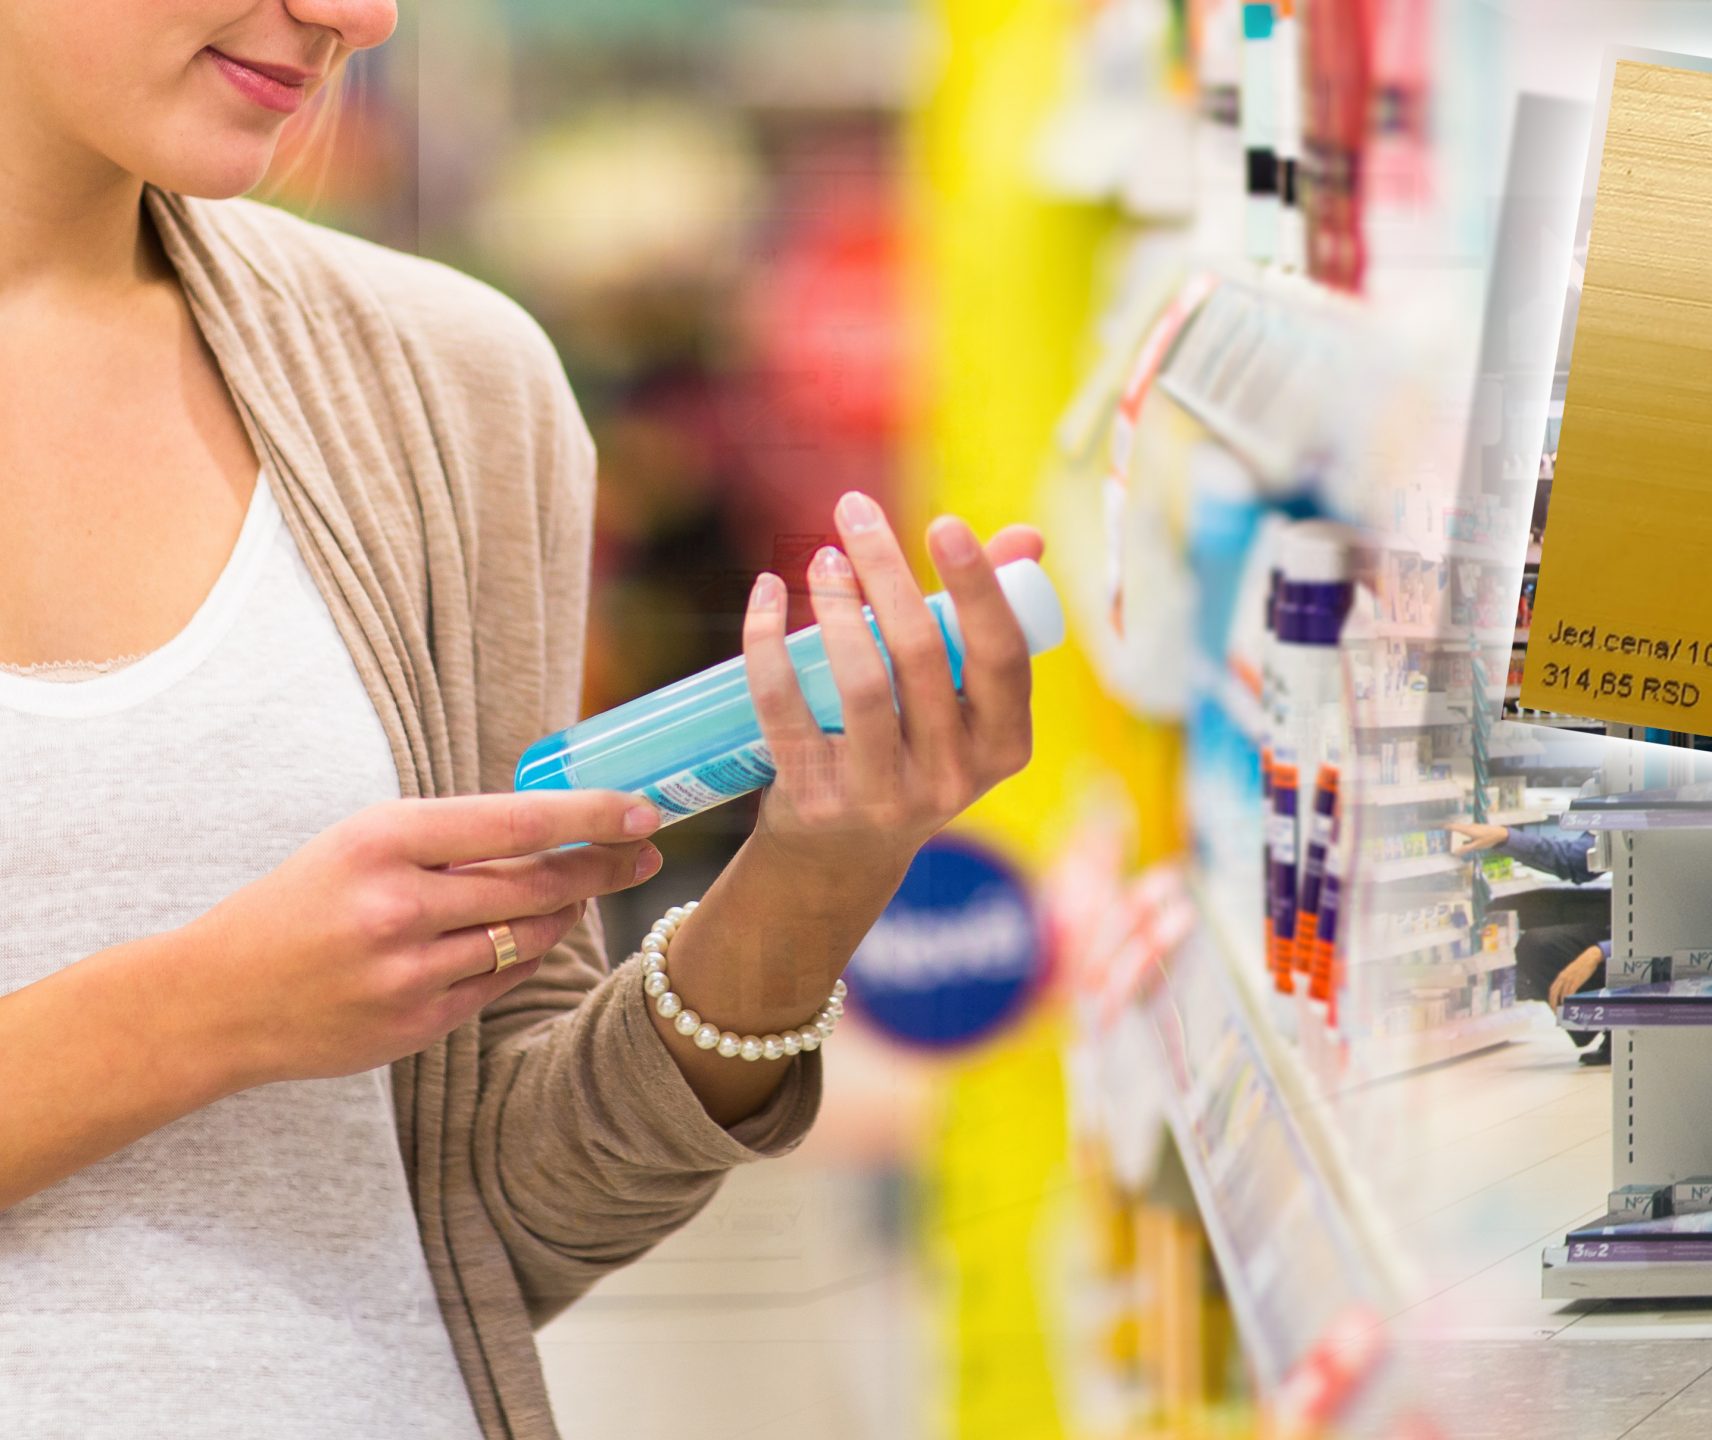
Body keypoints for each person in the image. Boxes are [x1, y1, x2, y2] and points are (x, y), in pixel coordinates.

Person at [0, 7, 1040, 1435]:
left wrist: (811, 879)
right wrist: (208, 1012)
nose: (358, 18)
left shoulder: (441, 387)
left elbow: (491, 1220)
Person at [1447, 819, 1615, 1065]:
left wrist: (1601, 952)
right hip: (1626, 930)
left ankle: (1643, 1028)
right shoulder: (1621, 813)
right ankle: (1610, 1028)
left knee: (1628, 953)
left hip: (1665, 940)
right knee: (1538, 946)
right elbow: (1573, 861)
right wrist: (1504, 837)